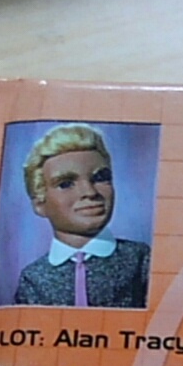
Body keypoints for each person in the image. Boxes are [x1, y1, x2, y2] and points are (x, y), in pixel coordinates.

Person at [14, 123, 150, 307]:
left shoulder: (139, 259)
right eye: (65, 184)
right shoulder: (33, 278)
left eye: (100, 178)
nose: (89, 192)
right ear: (40, 204)